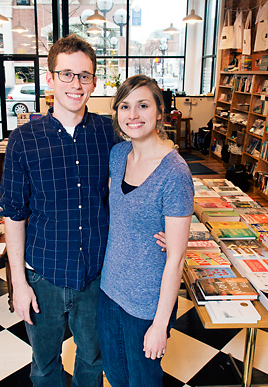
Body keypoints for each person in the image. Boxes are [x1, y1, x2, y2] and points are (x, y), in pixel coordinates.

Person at [0, 34, 115, 387]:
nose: (75, 84)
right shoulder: (24, 139)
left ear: (94, 82)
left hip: (96, 274)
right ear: (50, 79)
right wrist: (18, 283)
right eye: (66, 74)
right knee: (45, 363)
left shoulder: (109, 133)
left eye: (84, 75)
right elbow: (13, 213)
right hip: (43, 275)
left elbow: (133, 188)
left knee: (92, 359)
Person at [98, 75, 194, 386]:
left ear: (159, 111)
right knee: (115, 373)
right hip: (109, 289)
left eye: (143, 105)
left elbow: (176, 259)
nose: (133, 115)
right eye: (125, 106)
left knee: (143, 380)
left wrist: (159, 324)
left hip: (146, 302)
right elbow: (121, 216)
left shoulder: (175, 172)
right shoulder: (116, 156)